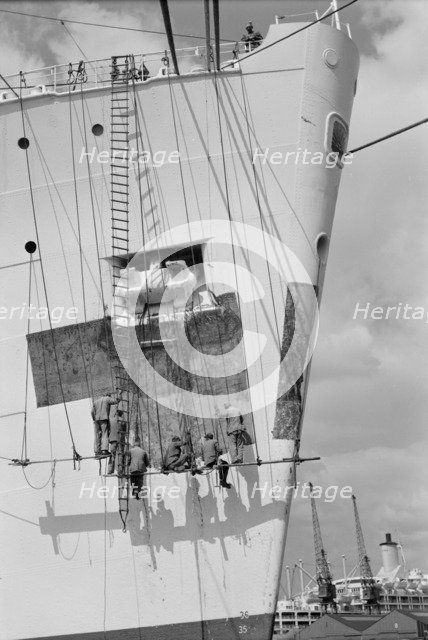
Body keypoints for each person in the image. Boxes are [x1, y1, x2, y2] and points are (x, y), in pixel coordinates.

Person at [107, 408, 126, 475]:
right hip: (120, 439)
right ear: (121, 414)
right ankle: (120, 470)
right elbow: (125, 431)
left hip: (112, 439)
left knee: (112, 454)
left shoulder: (111, 420)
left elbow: (108, 429)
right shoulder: (123, 421)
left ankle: (110, 470)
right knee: (120, 454)